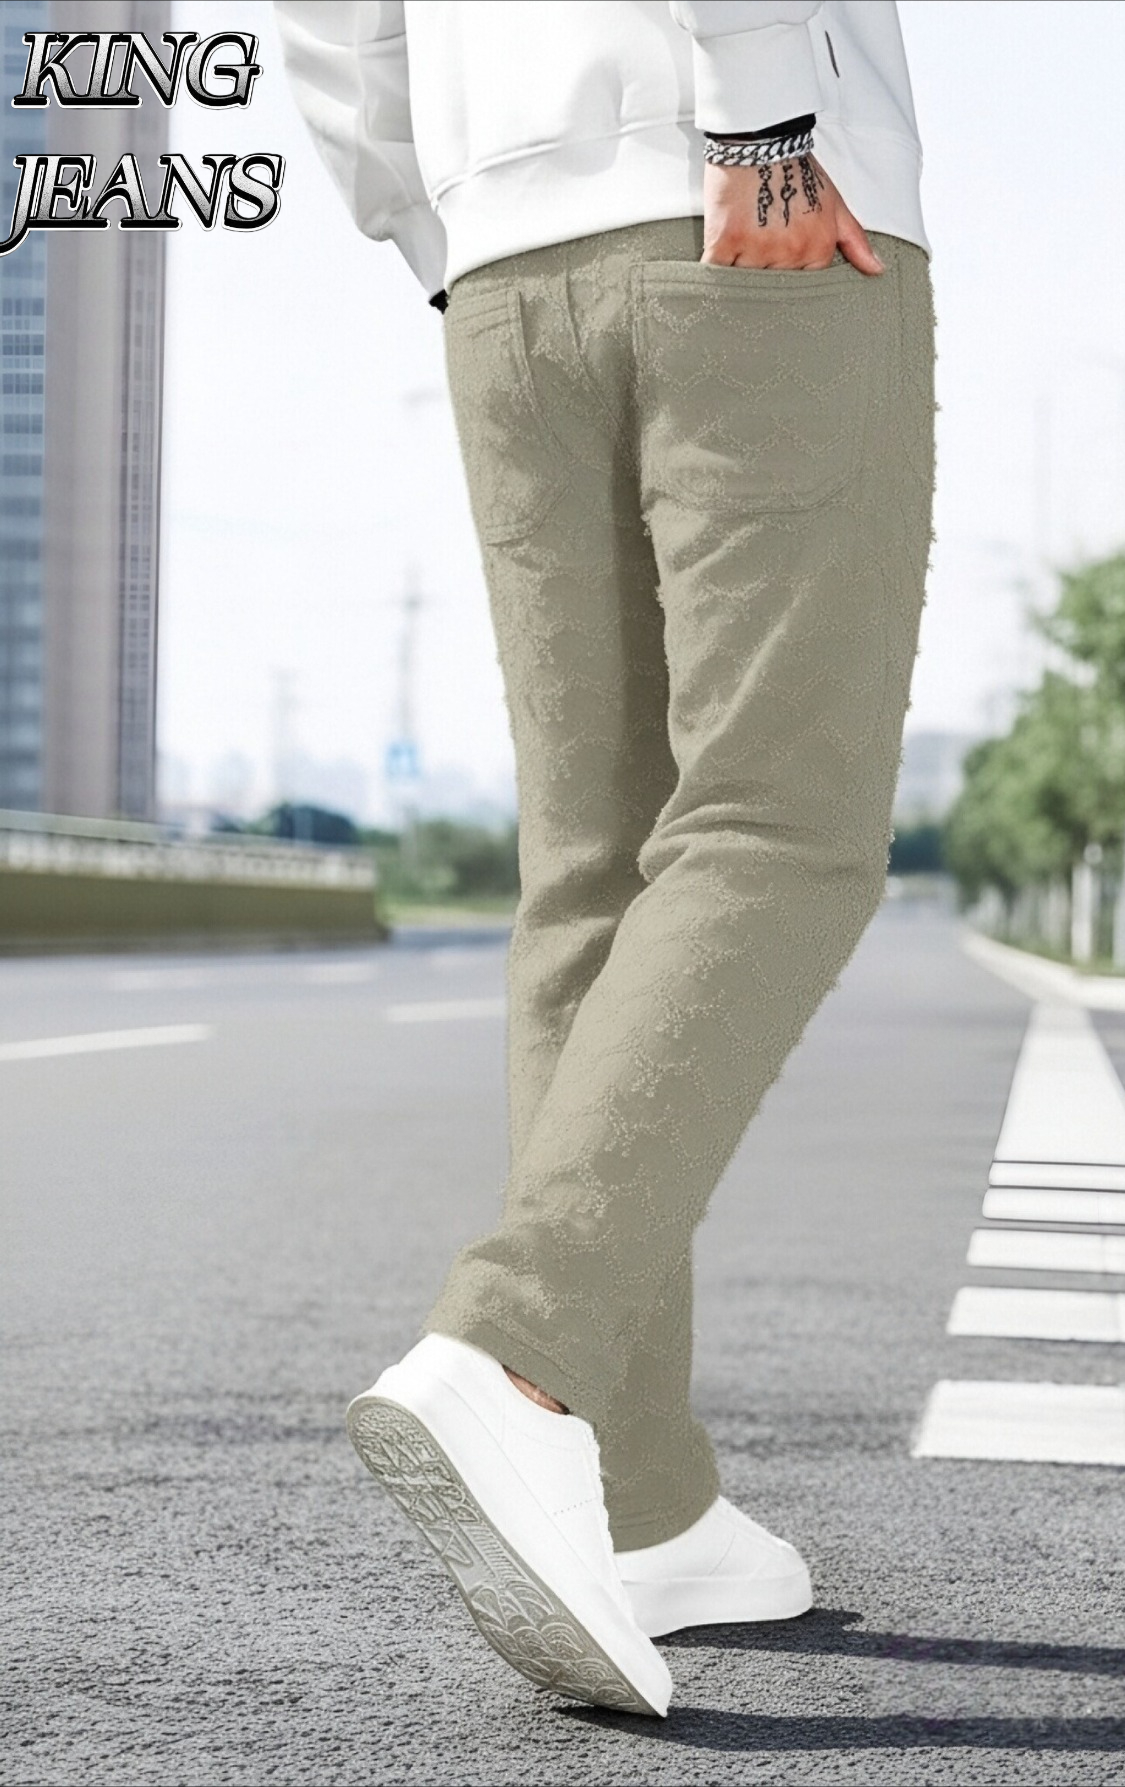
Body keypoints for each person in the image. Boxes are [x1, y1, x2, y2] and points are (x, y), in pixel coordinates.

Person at [274, 0, 934, 1719]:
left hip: (499, 262)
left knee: (597, 877)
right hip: (744, 190)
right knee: (780, 826)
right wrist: (761, 106)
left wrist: (427, 213)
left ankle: (640, 1510)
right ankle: (518, 1352)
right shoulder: (753, 135)